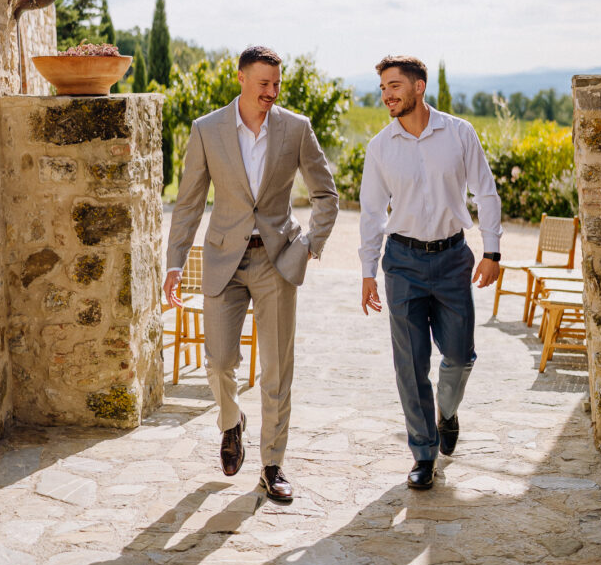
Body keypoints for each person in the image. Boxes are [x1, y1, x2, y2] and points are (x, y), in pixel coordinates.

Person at [164, 45, 338, 503]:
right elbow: (188, 202)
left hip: (277, 261)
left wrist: (309, 247)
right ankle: (230, 422)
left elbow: (326, 194)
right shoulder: (207, 131)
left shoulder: (296, 129)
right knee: (220, 361)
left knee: (278, 369)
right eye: (264, 84)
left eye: (277, 84)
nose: (272, 92)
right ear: (240, 79)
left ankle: (272, 464)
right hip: (224, 259)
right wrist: (175, 262)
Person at [359, 55, 502, 490]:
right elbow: (370, 214)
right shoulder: (380, 147)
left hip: (452, 258)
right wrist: (368, 271)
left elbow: (486, 191)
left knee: (460, 354)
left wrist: (492, 249)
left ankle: (447, 411)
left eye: (395, 86)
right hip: (402, 264)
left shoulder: (459, 133)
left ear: (419, 87)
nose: (387, 95)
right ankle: (423, 452)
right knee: (410, 363)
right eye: (383, 87)